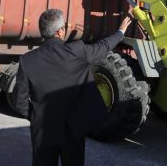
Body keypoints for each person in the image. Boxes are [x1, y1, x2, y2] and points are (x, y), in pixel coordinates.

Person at [11, 9, 131, 166]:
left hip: (43, 131)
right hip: (74, 129)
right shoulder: (77, 51)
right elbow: (103, 46)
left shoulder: (27, 60)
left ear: (43, 31)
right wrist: (120, 31)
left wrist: (35, 116)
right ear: (60, 31)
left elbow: (19, 101)